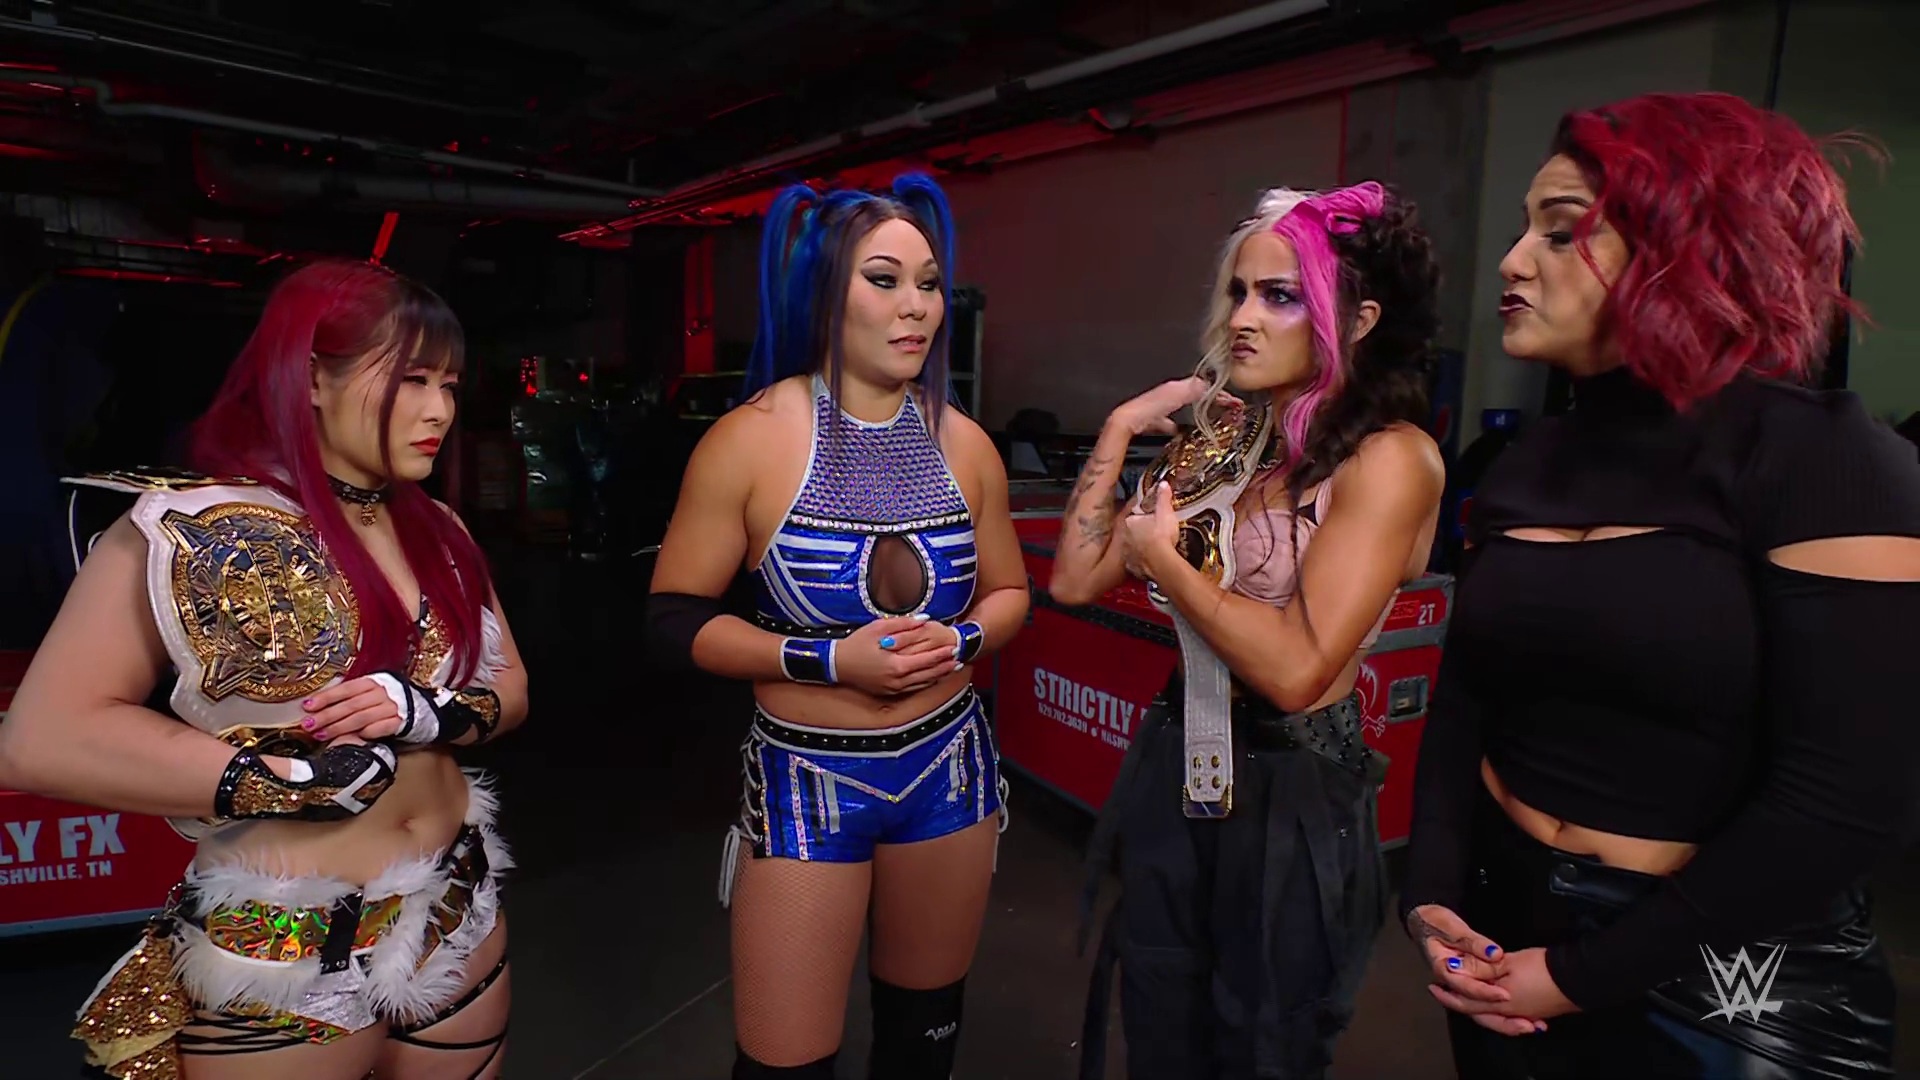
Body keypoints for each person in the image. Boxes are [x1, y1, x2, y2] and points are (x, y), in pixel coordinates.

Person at [1401, 91, 1920, 1078]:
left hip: (1719, 971)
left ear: (1693, 249)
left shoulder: (1832, 463)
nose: (1512, 262)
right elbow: (1465, 702)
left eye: (1560, 232)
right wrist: (1430, 895)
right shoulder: (1524, 462)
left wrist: (1582, 974)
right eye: (1523, 230)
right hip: (1503, 938)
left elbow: (1851, 800)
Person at [0, 259, 529, 1080]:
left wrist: (429, 712)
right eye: (411, 379)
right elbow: (41, 739)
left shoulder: (440, 528)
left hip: (459, 913)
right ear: (312, 378)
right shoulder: (191, 526)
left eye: (450, 385)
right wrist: (290, 781)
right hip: (287, 955)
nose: (439, 411)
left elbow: (511, 689)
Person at [1054, 181, 1447, 1079]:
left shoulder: (1389, 459)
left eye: (1280, 295)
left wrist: (1168, 567)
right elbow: (1076, 579)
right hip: (1177, 758)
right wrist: (1120, 430)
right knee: (1161, 1020)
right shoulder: (1221, 444)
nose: (1242, 318)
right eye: (1238, 291)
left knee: (1263, 1043)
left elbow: (1299, 671)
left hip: (1294, 784)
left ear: (1357, 320)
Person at [644, 174, 1028, 1079]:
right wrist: (824, 660)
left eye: (929, 284)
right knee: (784, 1063)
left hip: (949, 770)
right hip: (809, 776)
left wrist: (963, 641)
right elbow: (672, 618)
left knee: (922, 1042)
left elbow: (1010, 590)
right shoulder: (751, 439)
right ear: (823, 292)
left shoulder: (966, 443)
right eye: (884, 280)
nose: (916, 307)